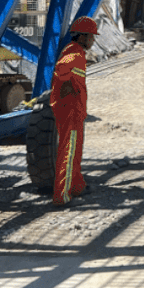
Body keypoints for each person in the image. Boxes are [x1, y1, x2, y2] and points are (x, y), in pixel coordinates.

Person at [51, 15, 98, 206]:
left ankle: (76, 186)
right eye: (91, 36)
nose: (93, 41)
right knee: (68, 152)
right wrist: (68, 88)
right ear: (82, 36)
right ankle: (61, 196)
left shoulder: (76, 52)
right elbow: (61, 69)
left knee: (75, 150)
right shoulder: (74, 55)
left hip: (75, 111)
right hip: (69, 111)